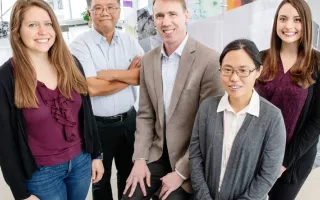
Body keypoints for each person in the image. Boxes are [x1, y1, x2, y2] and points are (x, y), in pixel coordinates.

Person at [0, 0, 104, 200]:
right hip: (41, 174)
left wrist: (96, 155)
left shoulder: (71, 63)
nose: (43, 31)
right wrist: (21, 194)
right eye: (32, 25)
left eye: (48, 24)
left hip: (80, 163)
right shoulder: (7, 77)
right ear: (17, 30)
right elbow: (5, 142)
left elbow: (87, 115)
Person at [122, 0, 223, 199]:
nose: (166, 22)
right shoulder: (149, 60)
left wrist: (181, 173)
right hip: (156, 153)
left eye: (172, 14)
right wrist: (140, 158)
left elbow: (209, 127)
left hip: (190, 158)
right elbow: (145, 115)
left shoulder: (209, 60)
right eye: (159, 16)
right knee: (130, 196)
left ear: (186, 16)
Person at [189, 39, 286, 200]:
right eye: (227, 70)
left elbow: (268, 174)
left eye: (243, 70)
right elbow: (195, 156)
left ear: (258, 71)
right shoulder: (207, 108)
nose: (234, 78)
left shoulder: (272, 118)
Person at [69, 0, 144, 199]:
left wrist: (108, 74)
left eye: (111, 7)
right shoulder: (79, 45)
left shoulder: (130, 41)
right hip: (96, 126)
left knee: (129, 176)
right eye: (98, 8)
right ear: (89, 12)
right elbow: (91, 88)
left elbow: (142, 76)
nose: (105, 12)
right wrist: (127, 75)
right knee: (100, 180)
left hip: (129, 121)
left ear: (118, 10)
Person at [255, 0, 320, 199]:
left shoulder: (317, 64)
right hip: (255, 154)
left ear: (306, 24)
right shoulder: (259, 58)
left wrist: (282, 162)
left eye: (297, 20)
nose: (288, 26)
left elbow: (317, 122)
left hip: (292, 161)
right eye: (283, 19)